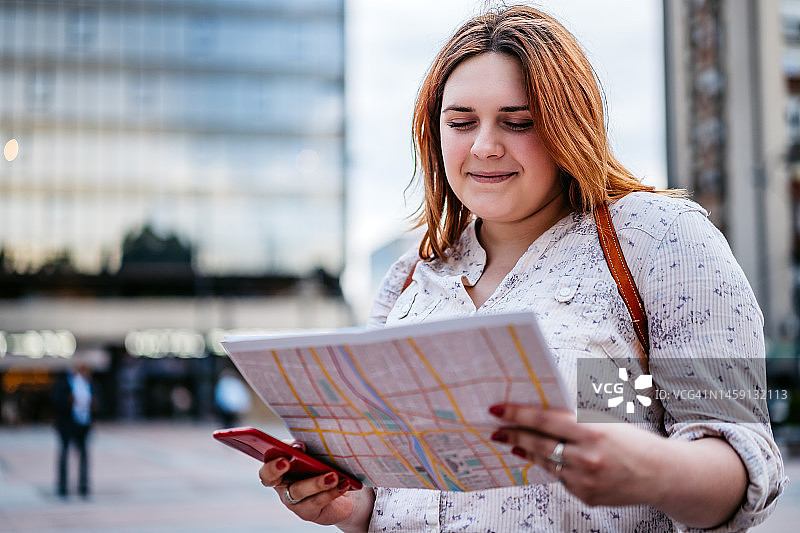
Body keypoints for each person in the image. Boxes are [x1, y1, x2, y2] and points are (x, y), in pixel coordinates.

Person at [258, 5, 786, 531]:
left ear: (568, 125)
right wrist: (349, 506)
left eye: (519, 122)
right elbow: (391, 491)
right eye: (461, 123)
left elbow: (740, 466)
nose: (485, 146)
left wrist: (649, 472)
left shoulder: (658, 238)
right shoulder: (408, 280)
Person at [52, 362, 95, 498]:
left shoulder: (89, 384)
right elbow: (55, 401)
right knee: (64, 455)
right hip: (67, 424)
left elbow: (97, 401)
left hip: (83, 424)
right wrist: (68, 401)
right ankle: (62, 486)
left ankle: (83, 485)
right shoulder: (64, 383)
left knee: (83, 456)